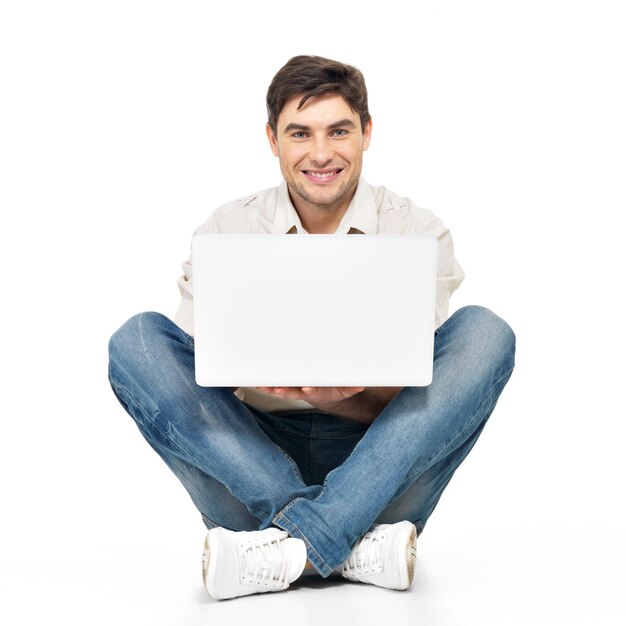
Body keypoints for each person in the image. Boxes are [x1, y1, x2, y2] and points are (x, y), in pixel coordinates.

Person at [108, 55, 516, 601]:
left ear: (366, 133)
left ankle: (287, 548)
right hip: (250, 460)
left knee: (486, 333)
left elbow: (425, 408)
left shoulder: (416, 232)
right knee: (136, 341)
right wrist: (252, 378)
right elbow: (196, 394)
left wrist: (342, 400)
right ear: (273, 139)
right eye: (300, 133)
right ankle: (351, 546)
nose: (321, 154)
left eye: (339, 131)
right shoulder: (229, 230)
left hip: (379, 467)